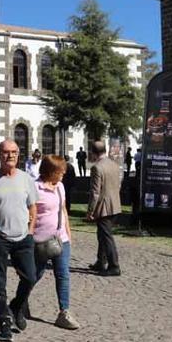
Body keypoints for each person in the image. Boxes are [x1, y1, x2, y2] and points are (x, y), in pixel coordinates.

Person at [0, 139, 38, 342]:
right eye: (5, 152)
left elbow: (33, 207)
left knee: (30, 277)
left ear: (18, 155)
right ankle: (3, 321)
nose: (10, 155)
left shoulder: (26, 179)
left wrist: (30, 230)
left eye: (13, 152)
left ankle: (17, 306)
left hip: (23, 237)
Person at [33, 155, 80, 330]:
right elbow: (29, 214)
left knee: (63, 274)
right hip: (40, 240)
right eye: (60, 171)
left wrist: (68, 232)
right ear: (50, 171)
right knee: (35, 274)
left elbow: (63, 210)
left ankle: (64, 312)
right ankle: (21, 301)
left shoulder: (60, 186)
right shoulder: (35, 188)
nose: (63, 173)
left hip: (61, 240)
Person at [87, 141, 122, 276]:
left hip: (104, 207)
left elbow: (95, 192)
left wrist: (90, 211)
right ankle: (101, 261)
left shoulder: (97, 168)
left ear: (93, 153)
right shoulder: (114, 165)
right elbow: (118, 185)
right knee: (102, 234)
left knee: (106, 237)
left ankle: (114, 266)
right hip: (115, 204)